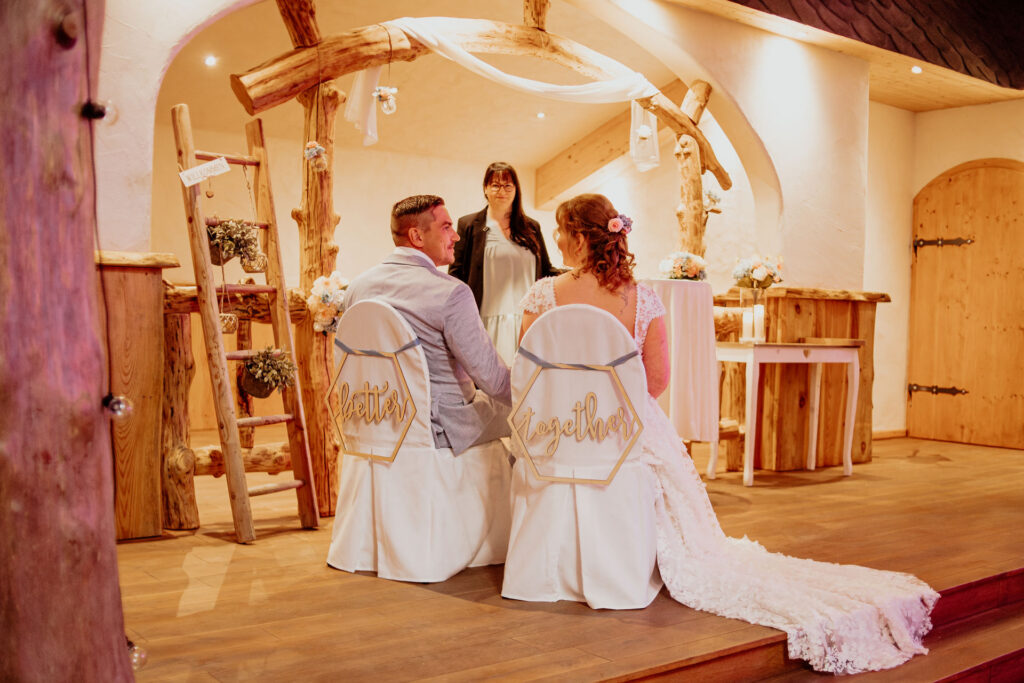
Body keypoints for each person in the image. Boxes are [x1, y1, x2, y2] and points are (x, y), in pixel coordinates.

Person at [517, 193, 938, 675]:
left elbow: (529, 370)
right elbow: (655, 381)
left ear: (578, 238)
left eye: (560, 230)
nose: (555, 239)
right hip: (619, 431)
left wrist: (573, 404)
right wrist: (607, 405)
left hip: (561, 432)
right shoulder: (641, 298)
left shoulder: (543, 295)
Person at [343, 194, 511, 453]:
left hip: (377, 418)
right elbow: (494, 380)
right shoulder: (451, 292)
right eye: (446, 227)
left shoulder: (357, 288)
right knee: (526, 415)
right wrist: (539, 391)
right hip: (439, 427)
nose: (456, 236)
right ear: (417, 236)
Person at [449, 162, 558, 363]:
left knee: (526, 375)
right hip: (484, 319)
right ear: (485, 188)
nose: (502, 191)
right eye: (495, 185)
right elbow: (456, 273)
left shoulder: (531, 227)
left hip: (527, 319)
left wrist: (579, 273)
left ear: (516, 190)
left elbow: (546, 270)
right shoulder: (470, 225)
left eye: (508, 186)